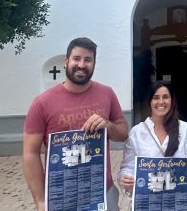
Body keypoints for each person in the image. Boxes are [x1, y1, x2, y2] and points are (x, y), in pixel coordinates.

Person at [22, 37, 129, 211]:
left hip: (101, 190)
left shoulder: (107, 93)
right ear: (66, 62)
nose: (81, 64)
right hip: (62, 194)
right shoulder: (42, 103)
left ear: (94, 64)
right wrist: (41, 201)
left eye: (88, 60)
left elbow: (123, 133)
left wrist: (108, 125)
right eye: (76, 58)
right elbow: (30, 153)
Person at [118, 81, 187, 197]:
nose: (161, 102)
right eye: (156, 98)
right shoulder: (137, 133)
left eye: (166, 97)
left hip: (178, 199)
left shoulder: (184, 129)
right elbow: (128, 167)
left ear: (172, 101)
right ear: (149, 102)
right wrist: (125, 179)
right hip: (148, 200)